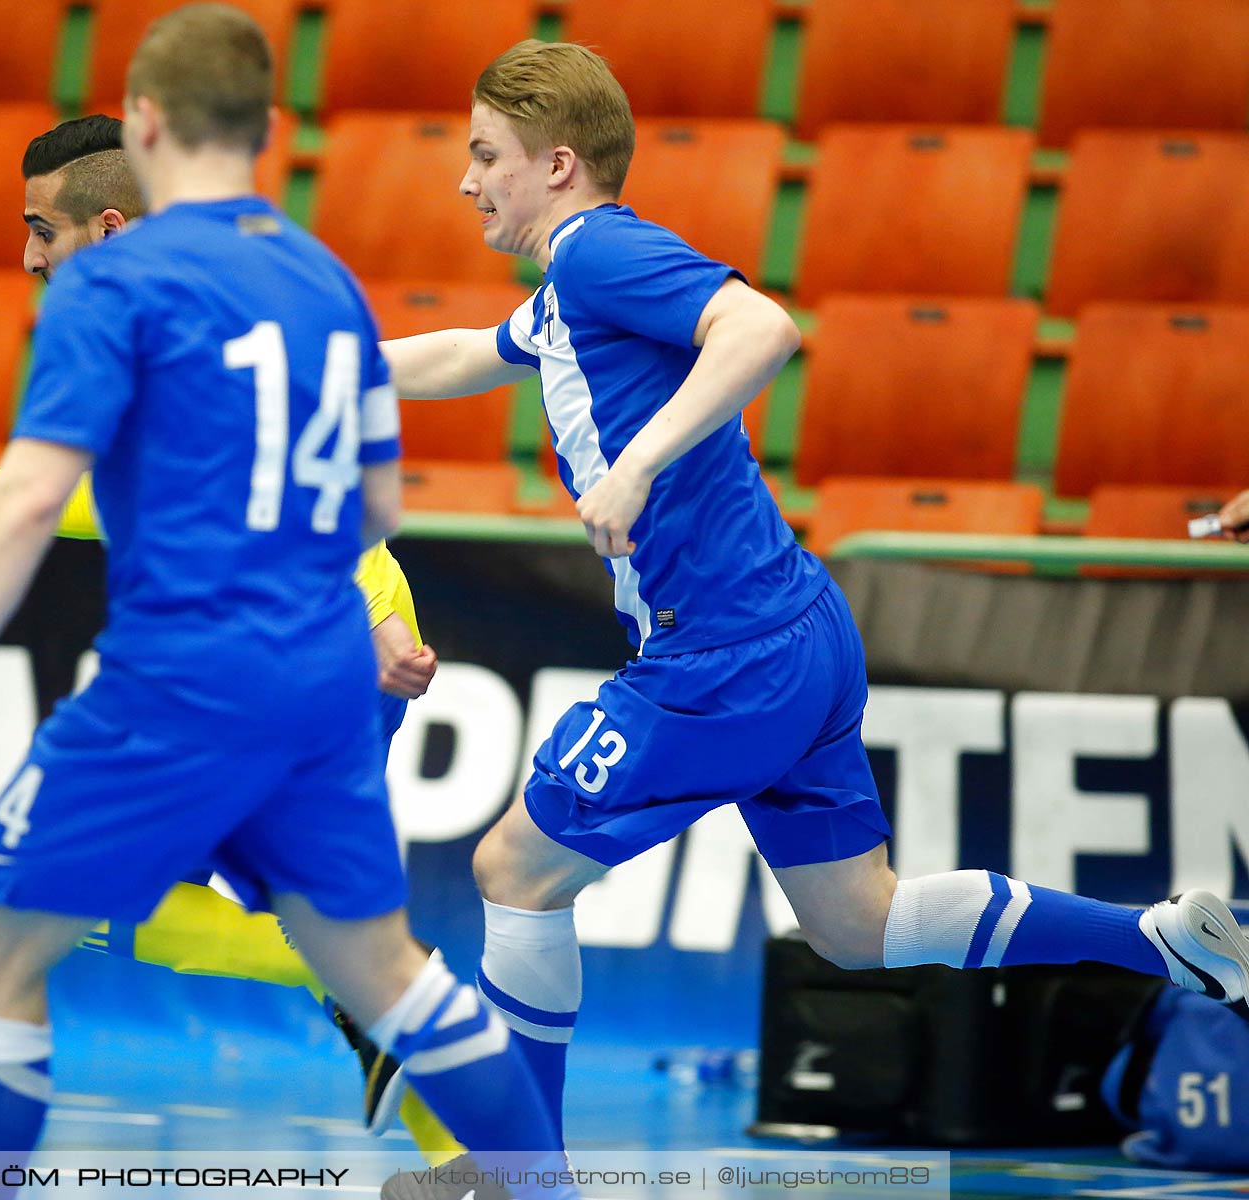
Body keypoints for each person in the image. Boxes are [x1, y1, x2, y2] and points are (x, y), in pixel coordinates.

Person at [376, 36, 1249, 1164]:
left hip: (723, 656)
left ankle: (514, 1176)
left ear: (556, 166)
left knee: (513, 868)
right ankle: (1166, 942)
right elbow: (463, 355)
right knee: (859, 925)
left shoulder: (597, 252)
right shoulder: (566, 297)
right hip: (798, 629)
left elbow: (762, 327)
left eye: (486, 154)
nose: (464, 179)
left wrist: (636, 463)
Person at [0, 6, 574, 1196]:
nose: (30, 259)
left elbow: (43, 501)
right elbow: (367, 500)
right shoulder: (315, 278)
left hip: (197, 678)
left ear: (147, 130)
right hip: (323, 672)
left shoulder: (119, 292)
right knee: (373, 969)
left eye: (38, 232)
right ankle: (512, 1177)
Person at [0, 114, 457, 1151]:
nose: (28, 254)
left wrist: (376, 626)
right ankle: (454, 1132)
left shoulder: (197, 324)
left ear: (109, 226)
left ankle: (390, 987)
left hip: (307, 648)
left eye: (42, 228)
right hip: (291, 655)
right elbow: (109, 498)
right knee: (171, 911)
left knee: (58, 888)